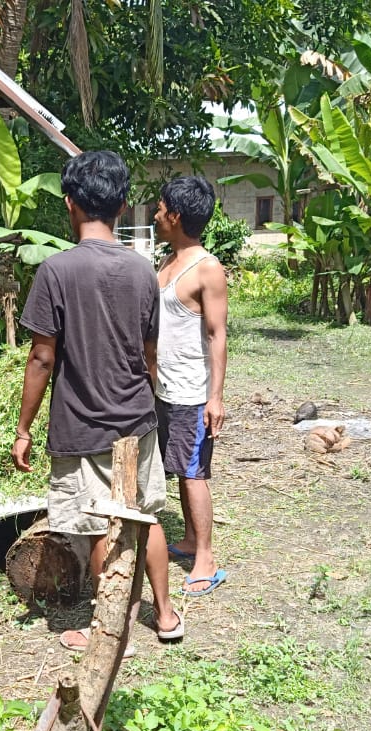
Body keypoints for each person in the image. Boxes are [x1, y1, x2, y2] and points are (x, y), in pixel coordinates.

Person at [11, 150, 183, 652]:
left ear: (69, 205)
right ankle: (166, 615)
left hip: (83, 424)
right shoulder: (142, 270)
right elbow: (150, 352)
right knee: (142, 514)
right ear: (123, 203)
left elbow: (42, 358)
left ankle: (111, 631)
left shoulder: (56, 272)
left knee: (96, 525)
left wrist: (23, 428)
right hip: (137, 417)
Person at [151, 176, 229, 597]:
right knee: (177, 469)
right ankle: (190, 542)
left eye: (161, 208)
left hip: (191, 392)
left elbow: (218, 335)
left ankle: (206, 558)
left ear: (177, 216)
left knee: (193, 473)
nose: (156, 214)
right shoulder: (167, 261)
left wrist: (214, 398)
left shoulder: (207, 268)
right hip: (162, 389)